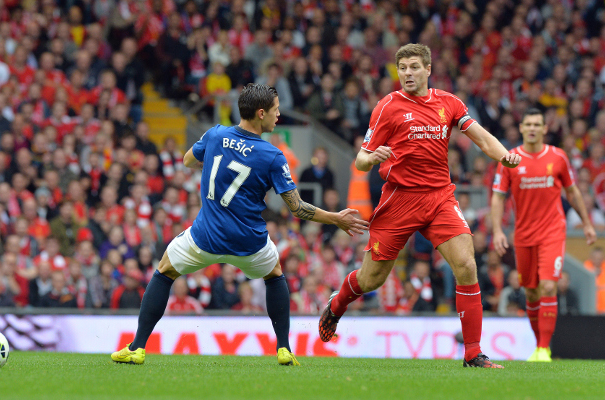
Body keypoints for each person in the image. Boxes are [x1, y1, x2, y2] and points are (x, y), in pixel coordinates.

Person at [111, 83, 368, 366]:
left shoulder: (215, 134)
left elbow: (187, 161)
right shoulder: (272, 155)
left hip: (205, 237)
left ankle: (137, 348)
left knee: (164, 271)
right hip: (250, 243)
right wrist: (335, 218)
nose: (278, 114)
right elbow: (298, 209)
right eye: (275, 110)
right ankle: (283, 348)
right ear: (260, 113)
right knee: (275, 275)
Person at [317, 43, 521, 368]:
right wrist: (371, 157)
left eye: (414, 67)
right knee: (371, 280)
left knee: (467, 265)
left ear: (428, 69)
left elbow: (481, 137)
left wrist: (505, 156)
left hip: (440, 197)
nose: (408, 73)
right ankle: (337, 304)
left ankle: (473, 354)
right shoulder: (388, 106)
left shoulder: (449, 103)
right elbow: (360, 159)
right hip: (399, 199)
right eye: (403, 68)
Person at [491, 108, 596, 362]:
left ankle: (543, 349)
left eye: (537, 124)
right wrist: (496, 231)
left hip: (552, 231)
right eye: (528, 124)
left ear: (544, 128)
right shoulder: (510, 159)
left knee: (548, 285)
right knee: (531, 292)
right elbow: (498, 196)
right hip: (524, 235)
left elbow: (572, 192)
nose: (533, 129)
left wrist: (587, 223)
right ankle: (540, 345)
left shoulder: (558, 157)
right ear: (522, 128)